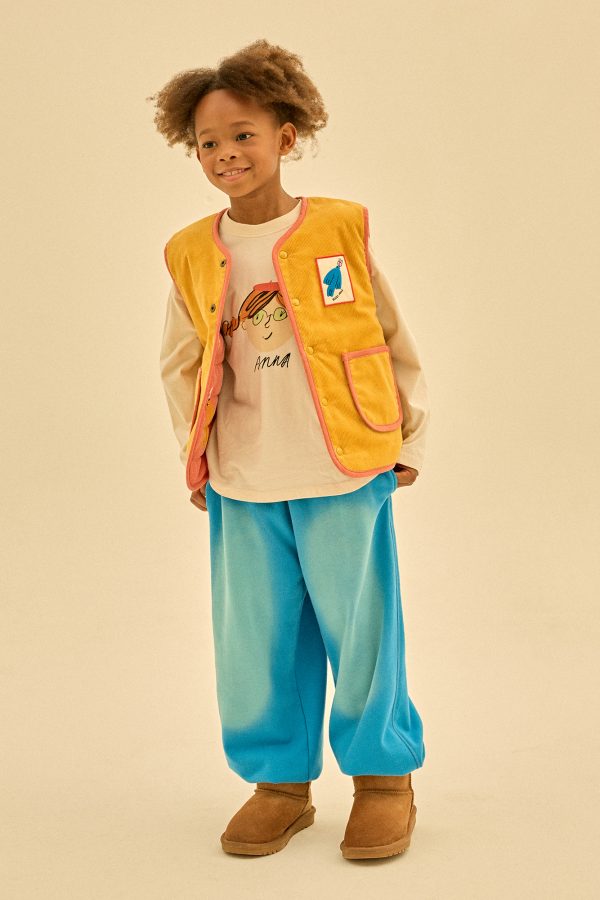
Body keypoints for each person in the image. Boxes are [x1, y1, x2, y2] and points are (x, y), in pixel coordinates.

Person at [148, 38, 431, 860]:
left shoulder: (339, 227)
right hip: (243, 476)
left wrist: (409, 437)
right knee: (256, 640)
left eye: (243, 134)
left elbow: (386, 334)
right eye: (208, 142)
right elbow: (180, 362)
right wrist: (195, 457)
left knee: (363, 629)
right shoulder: (191, 250)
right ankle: (279, 783)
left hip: (343, 465)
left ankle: (383, 779)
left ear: (286, 135)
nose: (226, 154)